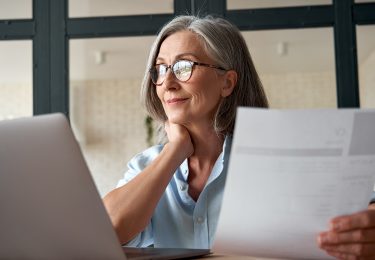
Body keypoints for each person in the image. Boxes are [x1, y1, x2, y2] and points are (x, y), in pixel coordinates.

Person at [103, 15, 375, 259]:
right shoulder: (145, 166)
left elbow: (360, 206)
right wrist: (175, 150)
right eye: (160, 69)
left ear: (227, 82)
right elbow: (107, 232)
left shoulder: (280, 156)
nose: (168, 82)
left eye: (184, 66)